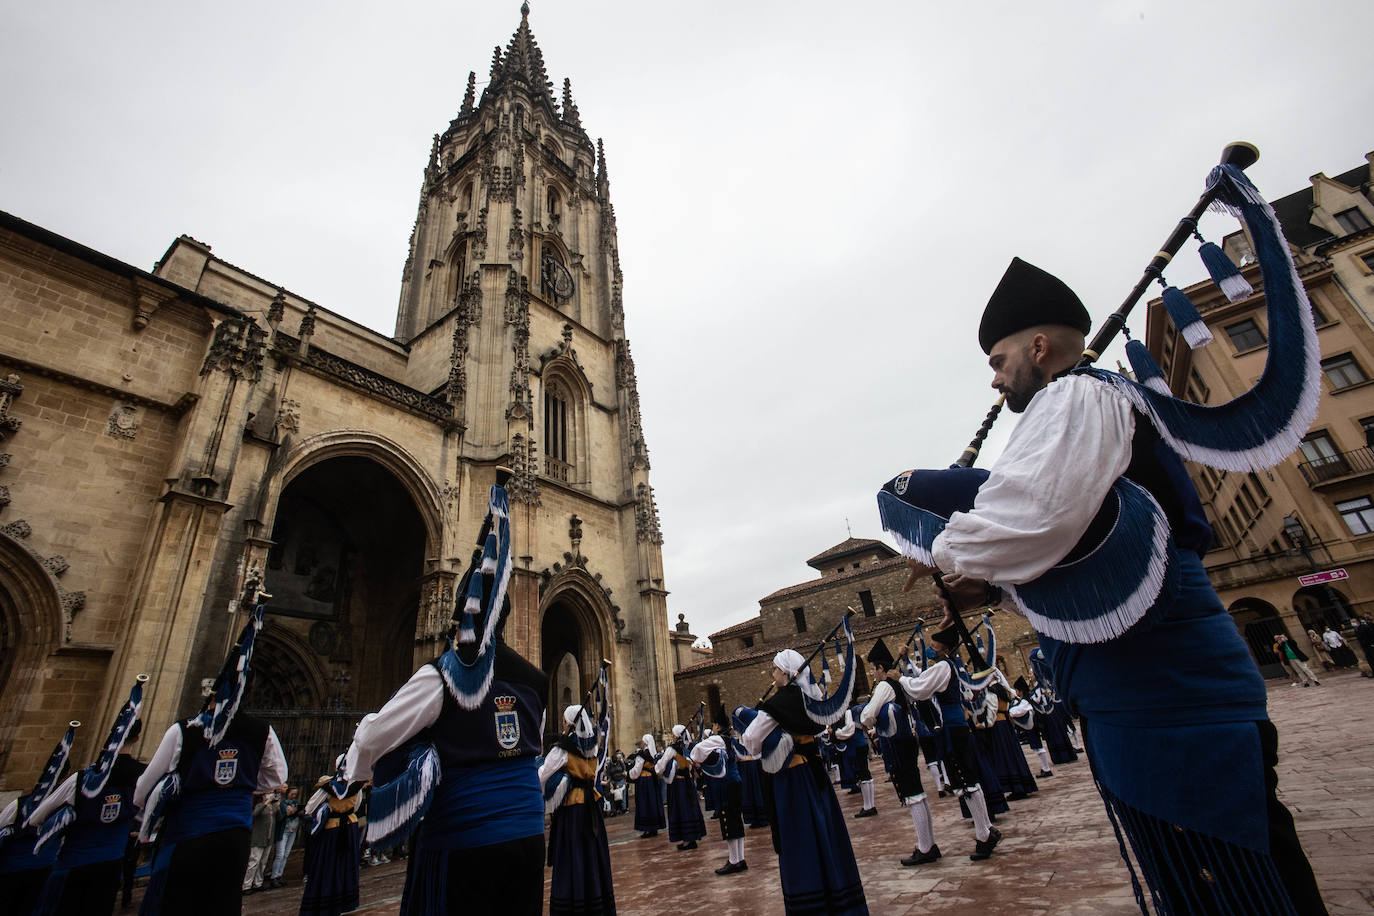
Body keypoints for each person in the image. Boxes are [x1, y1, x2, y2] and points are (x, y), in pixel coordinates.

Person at [878, 252, 1326, 913]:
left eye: (998, 363)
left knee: (1230, 880)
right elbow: (1086, 540)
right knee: (1216, 875)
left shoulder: (1078, 395)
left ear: (1038, 347)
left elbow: (1036, 511)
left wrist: (946, 552)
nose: (995, 381)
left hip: (1170, 702)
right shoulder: (1082, 404)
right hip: (1156, 702)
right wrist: (994, 589)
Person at [739, 650, 867, 915]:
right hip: (814, 775)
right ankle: (838, 896)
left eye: (775, 669)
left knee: (800, 841)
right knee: (825, 833)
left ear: (786, 673)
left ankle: (812, 902)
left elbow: (750, 742)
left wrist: (751, 719)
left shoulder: (777, 704)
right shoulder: (813, 698)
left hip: (792, 781)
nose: (772, 674)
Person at [133, 697, 288, 916]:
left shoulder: (184, 729)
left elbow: (142, 791)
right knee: (223, 902)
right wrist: (240, 788)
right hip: (235, 836)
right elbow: (277, 778)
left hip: (188, 834)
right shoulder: (262, 730)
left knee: (178, 901)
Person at [896, 633, 1004, 861]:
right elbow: (924, 677)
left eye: (934, 644)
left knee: (965, 780)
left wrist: (899, 678)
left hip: (951, 728)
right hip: (955, 725)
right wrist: (906, 663)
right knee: (967, 778)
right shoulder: (949, 666)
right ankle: (985, 829)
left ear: (944, 648)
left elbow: (920, 688)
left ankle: (984, 834)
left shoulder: (944, 666)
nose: (930, 647)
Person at [25, 718, 147, 916]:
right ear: (138, 737)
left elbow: (35, 819)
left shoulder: (82, 778)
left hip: (73, 863)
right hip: (111, 863)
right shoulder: (144, 777)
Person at [860, 638, 942, 865]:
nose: (873, 674)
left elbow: (868, 714)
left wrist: (866, 718)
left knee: (912, 794)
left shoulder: (885, 686)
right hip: (908, 740)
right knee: (917, 792)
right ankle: (929, 844)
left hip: (897, 744)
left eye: (874, 670)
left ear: (880, 668)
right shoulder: (900, 685)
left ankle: (925, 847)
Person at [540, 703, 615, 916]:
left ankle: (575, 903)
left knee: (572, 857)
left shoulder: (563, 748)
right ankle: (596, 899)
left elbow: (542, 776)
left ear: (570, 723)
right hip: (591, 805)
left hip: (572, 809)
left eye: (564, 720)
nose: (562, 724)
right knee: (592, 855)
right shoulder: (592, 748)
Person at [689, 711, 747, 876]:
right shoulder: (732, 740)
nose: (712, 727)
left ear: (718, 726)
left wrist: (699, 760)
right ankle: (740, 859)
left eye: (714, 725)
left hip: (726, 785)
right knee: (736, 819)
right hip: (736, 782)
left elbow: (697, 752)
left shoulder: (717, 739)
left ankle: (733, 860)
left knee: (728, 821)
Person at [298, 769, 361, 916]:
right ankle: (342, 901)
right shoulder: (357, 786)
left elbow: (310, 808)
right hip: (349, 827)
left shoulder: (328, 786)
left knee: (326, 866)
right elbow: (356, 807)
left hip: (331, 829)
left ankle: (323, 899)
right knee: (344, 865)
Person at [655, 725, 706, 851]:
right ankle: (692, 837)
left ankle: (687, 840)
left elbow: (662, 765)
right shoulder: (686, 748)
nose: (672, 736)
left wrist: (658, 769)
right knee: (690, 808)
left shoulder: (672, 749)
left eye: (673, 734)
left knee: (681, 809)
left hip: (678, 785)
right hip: (688, 783)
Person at [628, 735, 665, 838]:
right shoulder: (654, 754)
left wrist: (629, 774)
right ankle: (654, 828)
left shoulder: (642, 755)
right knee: (653, 802)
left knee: (645, 803)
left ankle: (647, 828)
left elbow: (637, 770)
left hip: (644, 781)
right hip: (652, 781)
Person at [268, 786, 302, 888]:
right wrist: (291, 811)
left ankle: (279, 875)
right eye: (292, 794)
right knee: (280, 854)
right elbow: (284, 814)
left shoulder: (296, 802)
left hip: (293, 830)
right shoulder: (283, 803)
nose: (294, 796)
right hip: (284, 830)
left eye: (295, 794)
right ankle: (274, 876)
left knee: (286, 854)